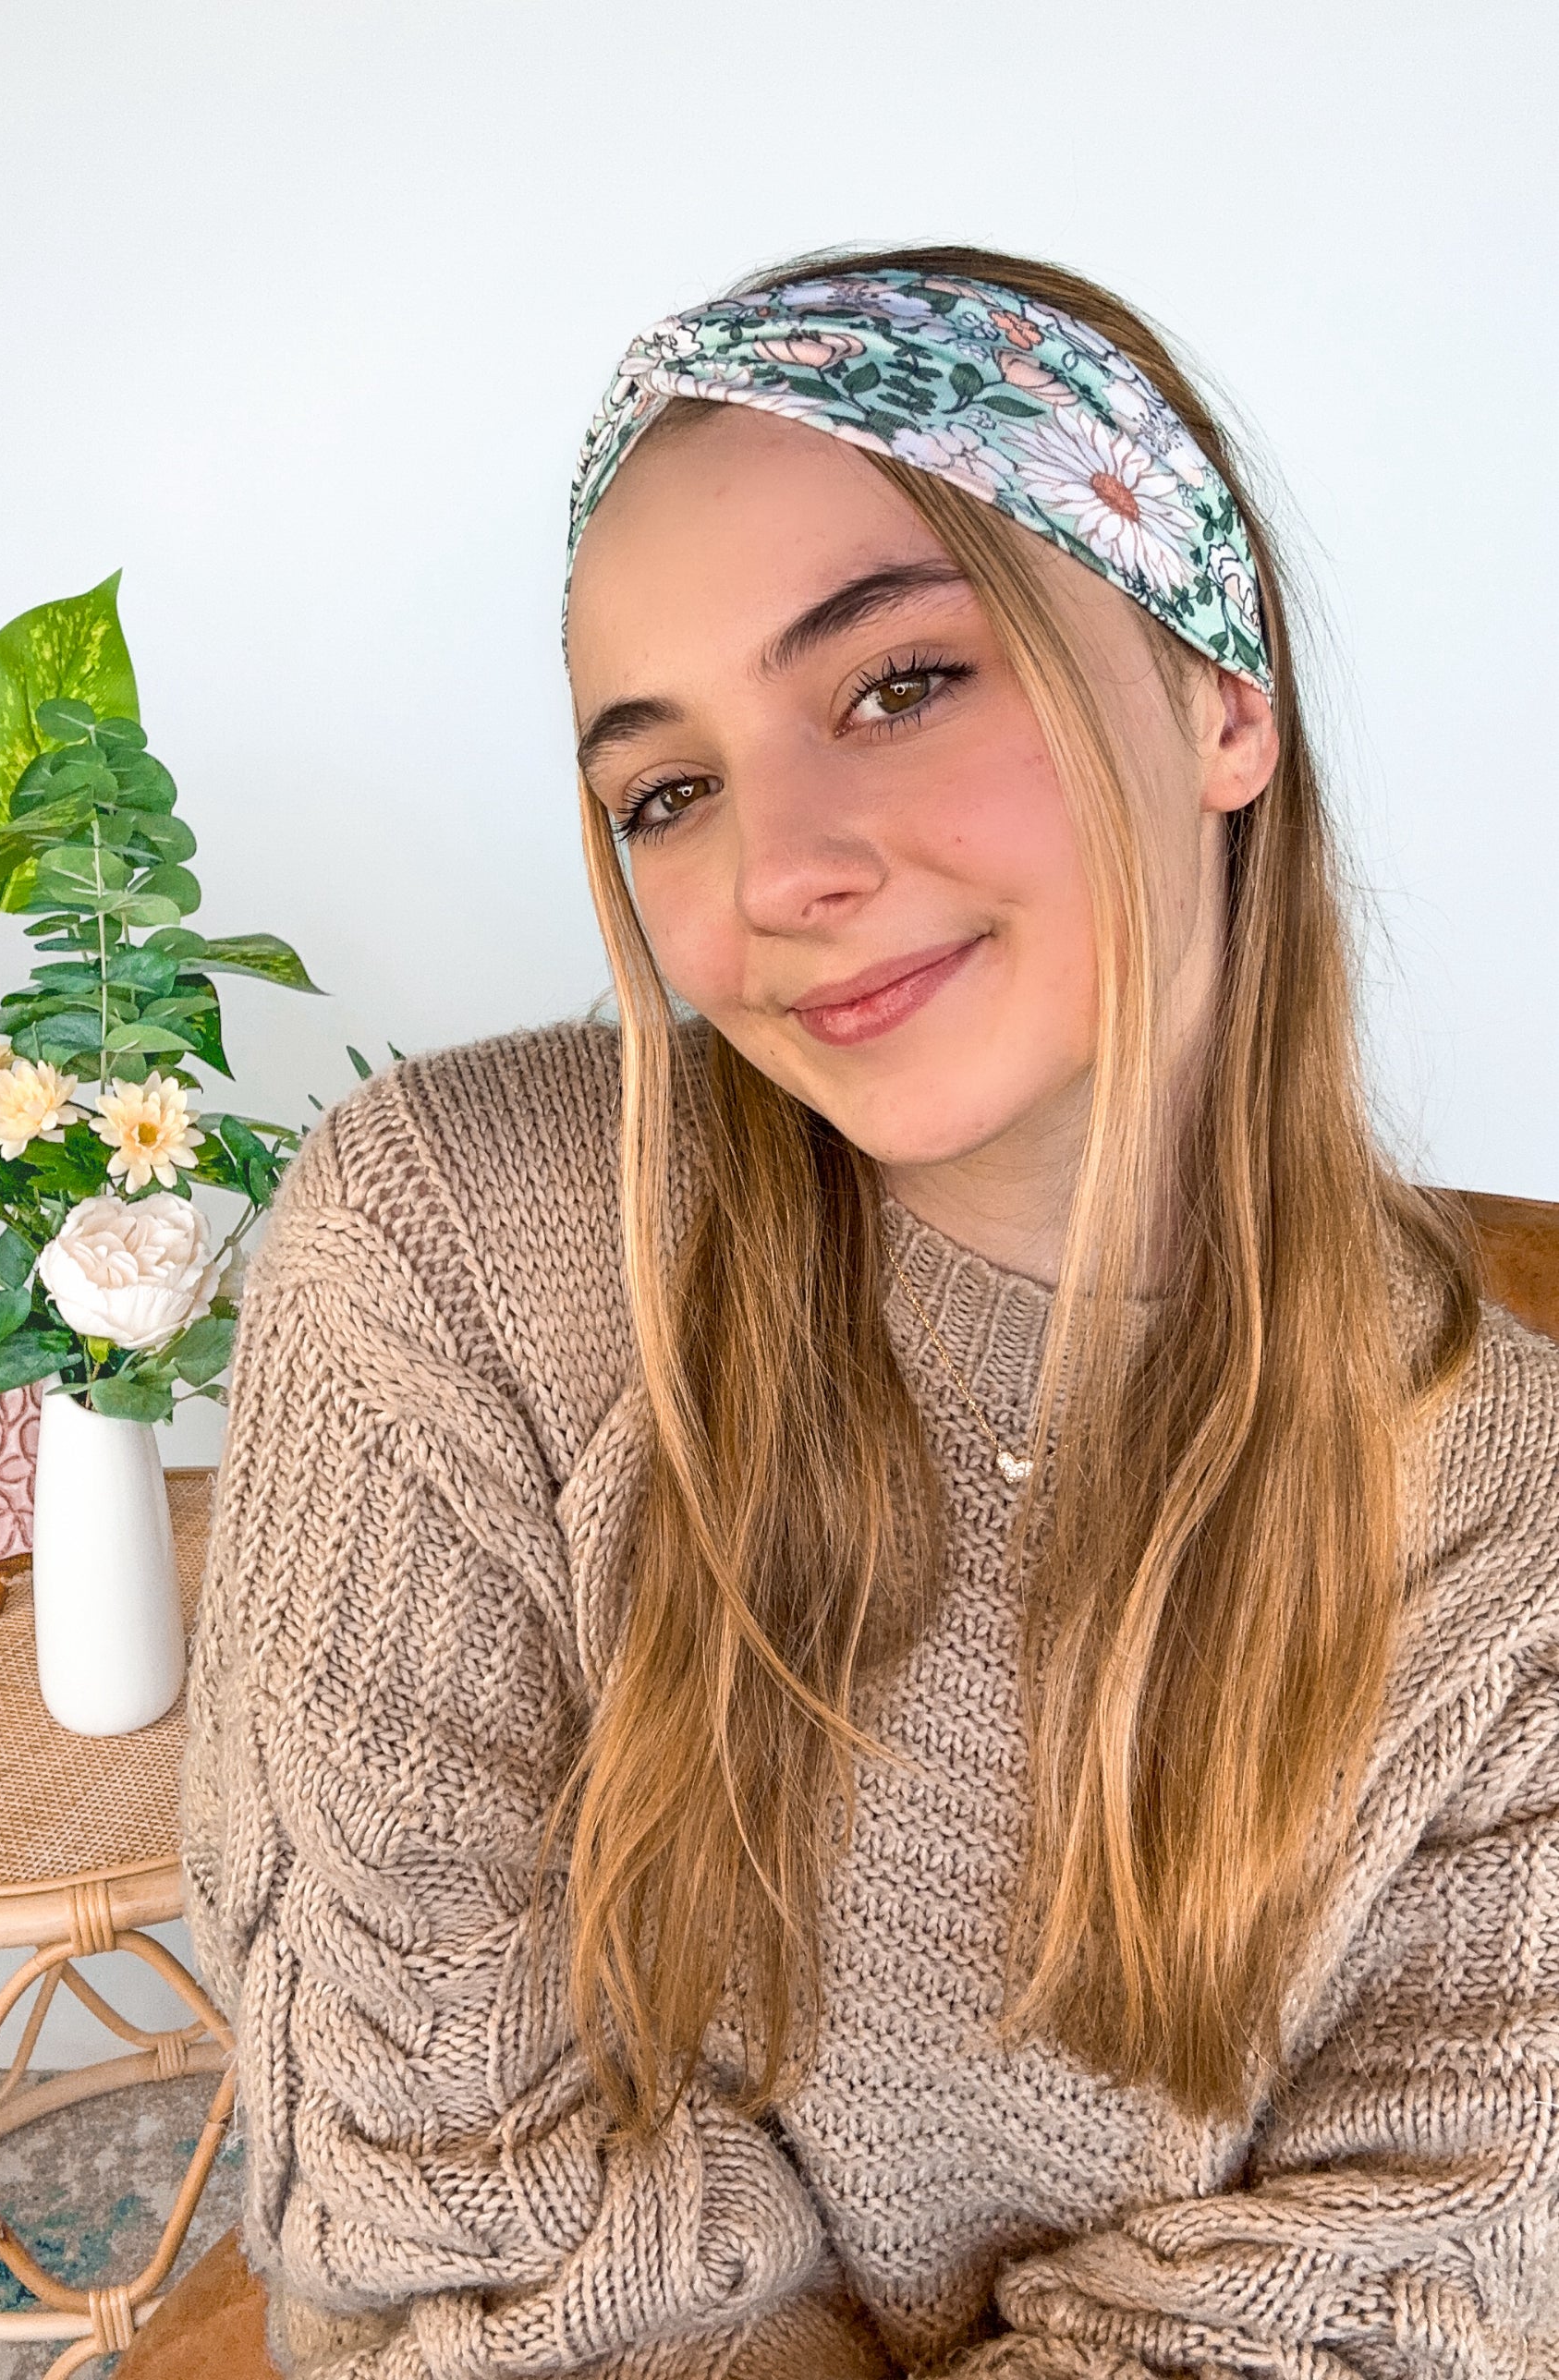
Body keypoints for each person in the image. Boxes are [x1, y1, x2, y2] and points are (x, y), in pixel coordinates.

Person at [179, 248, 1559, 2380]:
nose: (775, 870)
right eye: (667, 789)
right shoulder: (456, 1253)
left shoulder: (1521, 1548)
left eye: (899, 681)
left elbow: (1385, 2317)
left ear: (1219, 696)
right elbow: (444, 2218)